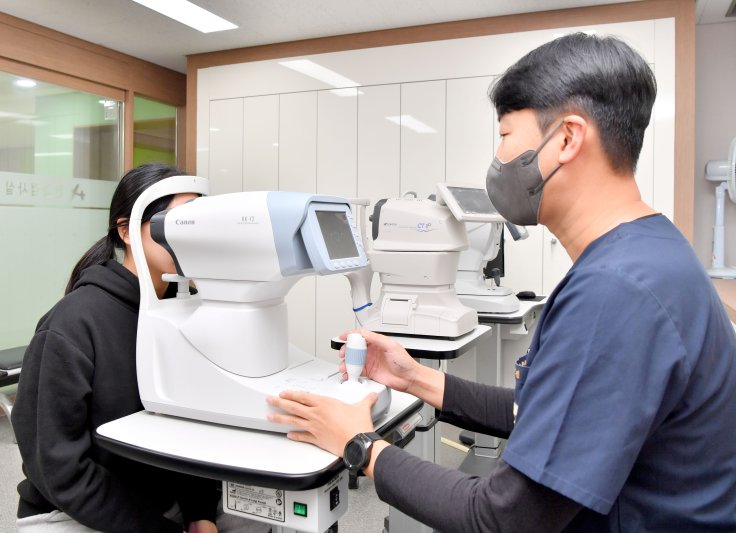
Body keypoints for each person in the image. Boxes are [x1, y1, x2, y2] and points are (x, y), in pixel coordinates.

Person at [267, 33, 736, 532]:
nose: (498, 156)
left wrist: (360, 446)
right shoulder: (651, 252)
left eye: (507, 136)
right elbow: (539, 412)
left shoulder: (615, 291)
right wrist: (415, 378)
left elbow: (503, 519)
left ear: (566, 139)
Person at [12, 163, 220, 533]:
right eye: (174, 224)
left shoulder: (186, 310)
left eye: (198, 224)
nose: (191, 238)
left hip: (160, 502)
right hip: (74, 509)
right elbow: (58, 469)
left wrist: (199, 512)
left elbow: (192, 427)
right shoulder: (72, 324)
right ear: (126, 231)